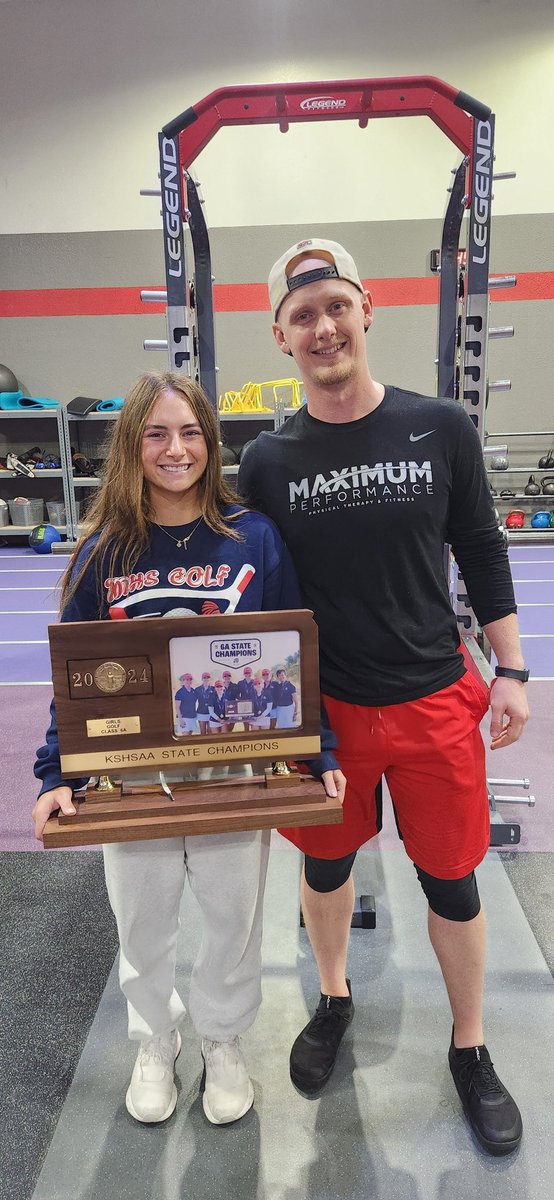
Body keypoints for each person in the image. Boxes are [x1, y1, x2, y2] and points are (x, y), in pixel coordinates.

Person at [237, 237, 530, 1156]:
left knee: (452, 881)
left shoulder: (439, 426)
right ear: (280, 337)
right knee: (325, 870)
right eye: (302, 316)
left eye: (335, 307)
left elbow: (481, 548)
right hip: (326, 716)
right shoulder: (267, 459)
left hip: (437, 700)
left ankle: (471, 1046)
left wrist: (511, 670)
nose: (323, 327)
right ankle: (332, 999)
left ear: (367, 311)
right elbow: (252, 589)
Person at [32, 370, 342, 1129]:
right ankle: (154, 1039)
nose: (176, 450)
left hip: (232, 764)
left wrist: (319, 750)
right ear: (132, 447)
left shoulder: (255, 537)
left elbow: (291, 656)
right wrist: (54, 768)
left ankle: (222, 1041)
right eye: (157, 434)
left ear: (212, 441)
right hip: (132, 776)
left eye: (191, 432)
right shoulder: (105, 548)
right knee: (141, 919)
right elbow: (75, 675)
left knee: (233, 917)